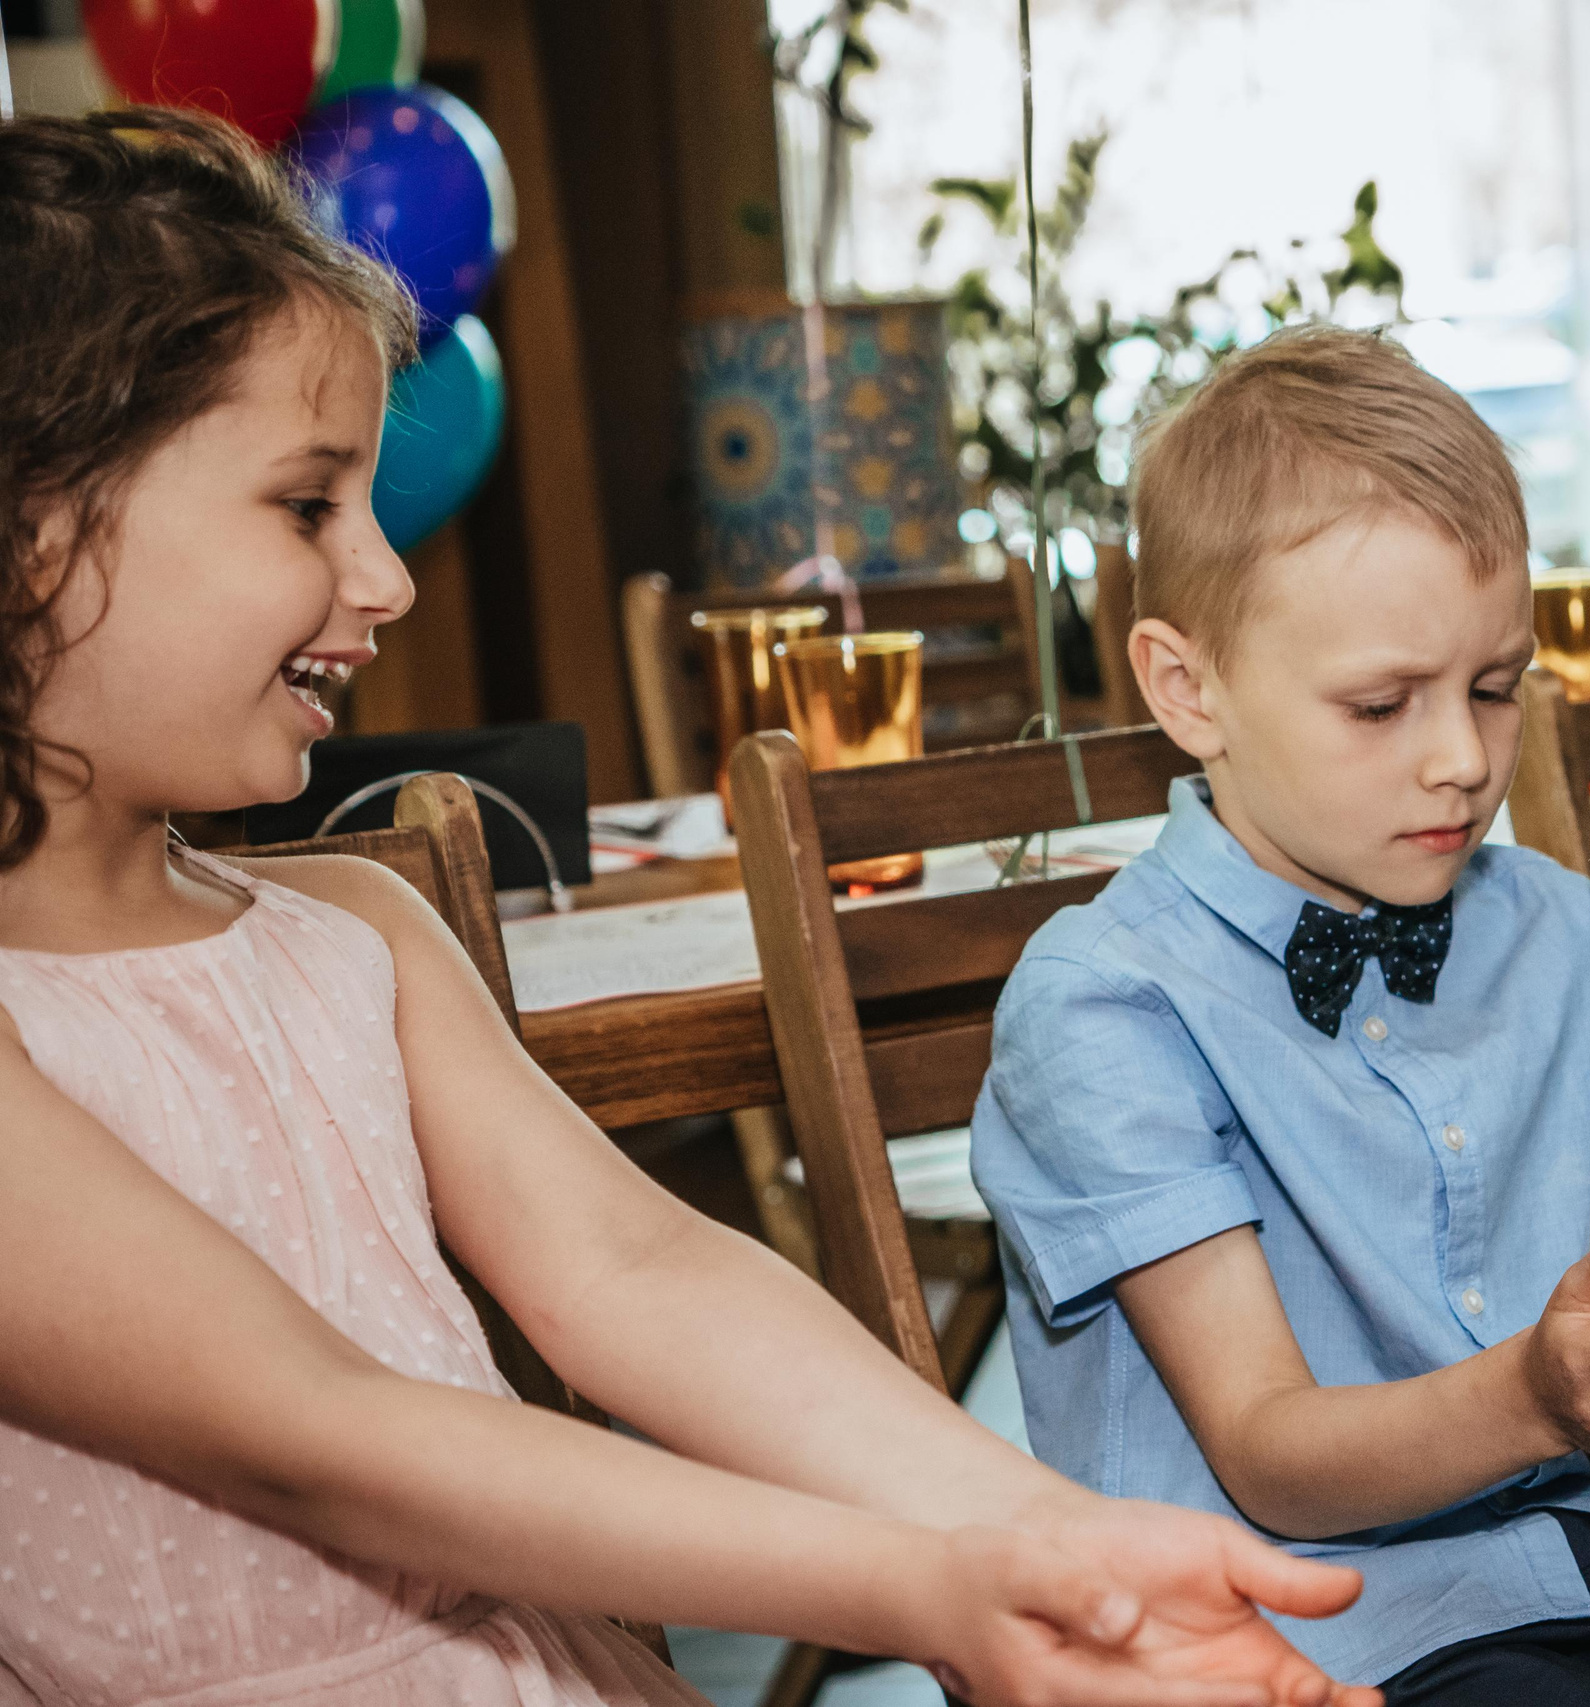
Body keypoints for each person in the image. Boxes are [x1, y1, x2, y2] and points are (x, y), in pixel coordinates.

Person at [0, 108, 1381, 1707]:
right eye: (309, 505)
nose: (389, 577)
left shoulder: (356, 933)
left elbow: (639, 1272)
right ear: (36, 531)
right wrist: (933, 1580)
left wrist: (1057, 1540)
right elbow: (323, 1432)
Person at [968, 325, 1590, 1707]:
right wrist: (1543, 1398)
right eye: (1381, 704)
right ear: (1186, 686)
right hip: (1293, 1624)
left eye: (1496, 687)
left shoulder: (1545, 924)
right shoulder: (1106, 1004)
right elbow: (1266, 1446)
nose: (1460, 757)